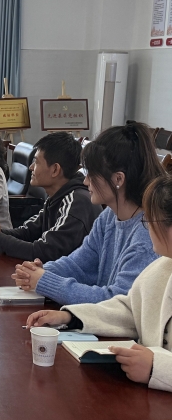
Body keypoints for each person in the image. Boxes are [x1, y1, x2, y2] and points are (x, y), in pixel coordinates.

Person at [26, 175, 172, 393]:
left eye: (151, 221)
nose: (147, 228)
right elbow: (130, 310)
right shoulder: (159, 268)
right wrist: (71, 317)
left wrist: (156, 367)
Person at [13, 122, 163, 305]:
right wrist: (39, 271)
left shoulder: (146, 236)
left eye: (92, 174)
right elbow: (79, 263)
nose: (85, 181)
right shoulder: (109, 216)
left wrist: (45, 281)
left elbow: (117, 302)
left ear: (118, 179)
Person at [0, 132, 102, 262]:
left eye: (36, 162)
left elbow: (44, 252)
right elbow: (28, 232)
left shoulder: (77, 202)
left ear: (55, 170)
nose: (31, 167)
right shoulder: (58, 194)